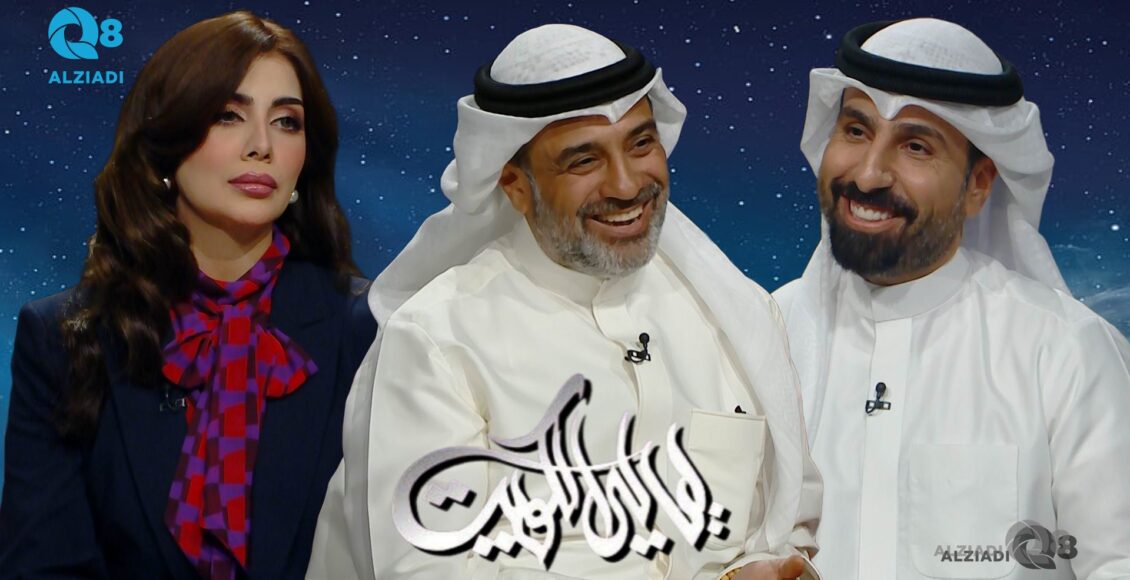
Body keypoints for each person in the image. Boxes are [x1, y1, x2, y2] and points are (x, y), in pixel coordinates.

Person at [307, 23, 823, 580]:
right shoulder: (436, 341)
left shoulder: (733, 315)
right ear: (515, 185)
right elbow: (424, 569)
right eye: (584, 161)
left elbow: (787, 517)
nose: (627, 185)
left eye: (641, 144)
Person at [0, 11, 377, 580]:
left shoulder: (372, 328)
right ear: (166, 141)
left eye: (286, 122)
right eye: (228, 115)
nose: (261, 146)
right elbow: (44, 566)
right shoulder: (64, 337)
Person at [773, 17, 1130, 580]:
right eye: (856, 131)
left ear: (979, 185)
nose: (868, 175)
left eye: (915, 146)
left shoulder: (1066, 352)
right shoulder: (767, 334)